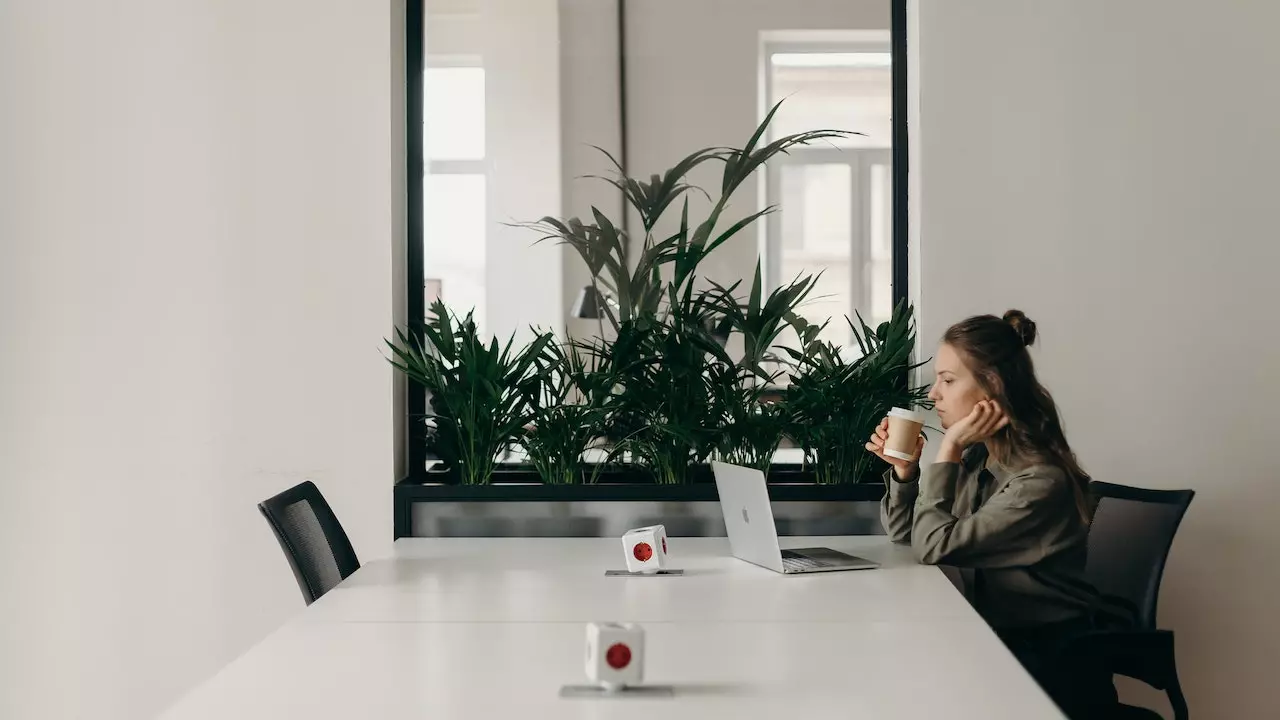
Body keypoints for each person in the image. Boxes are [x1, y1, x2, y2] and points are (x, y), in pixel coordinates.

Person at [866, 310, 1128, 719]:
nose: (933, 394)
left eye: (948, 380)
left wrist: (948, 448)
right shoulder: (979, 460)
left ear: (993, 387)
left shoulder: (1039, 482)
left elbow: (932, 546)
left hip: (1046, 665)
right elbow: (907, 535)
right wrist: (906, 472)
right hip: (997, 643)